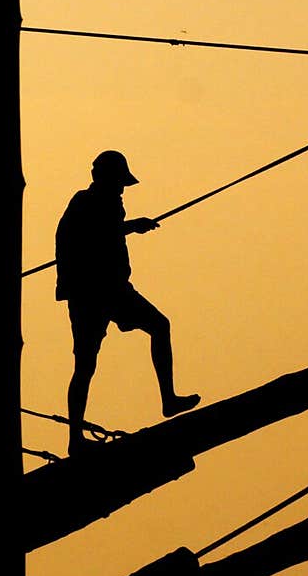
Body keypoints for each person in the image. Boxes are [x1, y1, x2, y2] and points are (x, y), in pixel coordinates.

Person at [56, 150, 200, 455]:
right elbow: (93, 235)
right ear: (103, 179)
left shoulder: (107, 205)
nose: (122, 189)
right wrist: (132, 226)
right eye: (118, 182)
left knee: (159, 326)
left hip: (115, 289)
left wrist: (128, 226)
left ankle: (169, 399)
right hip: (93, 294)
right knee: (85, 365)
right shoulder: (84, 203)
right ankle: (74, 439)